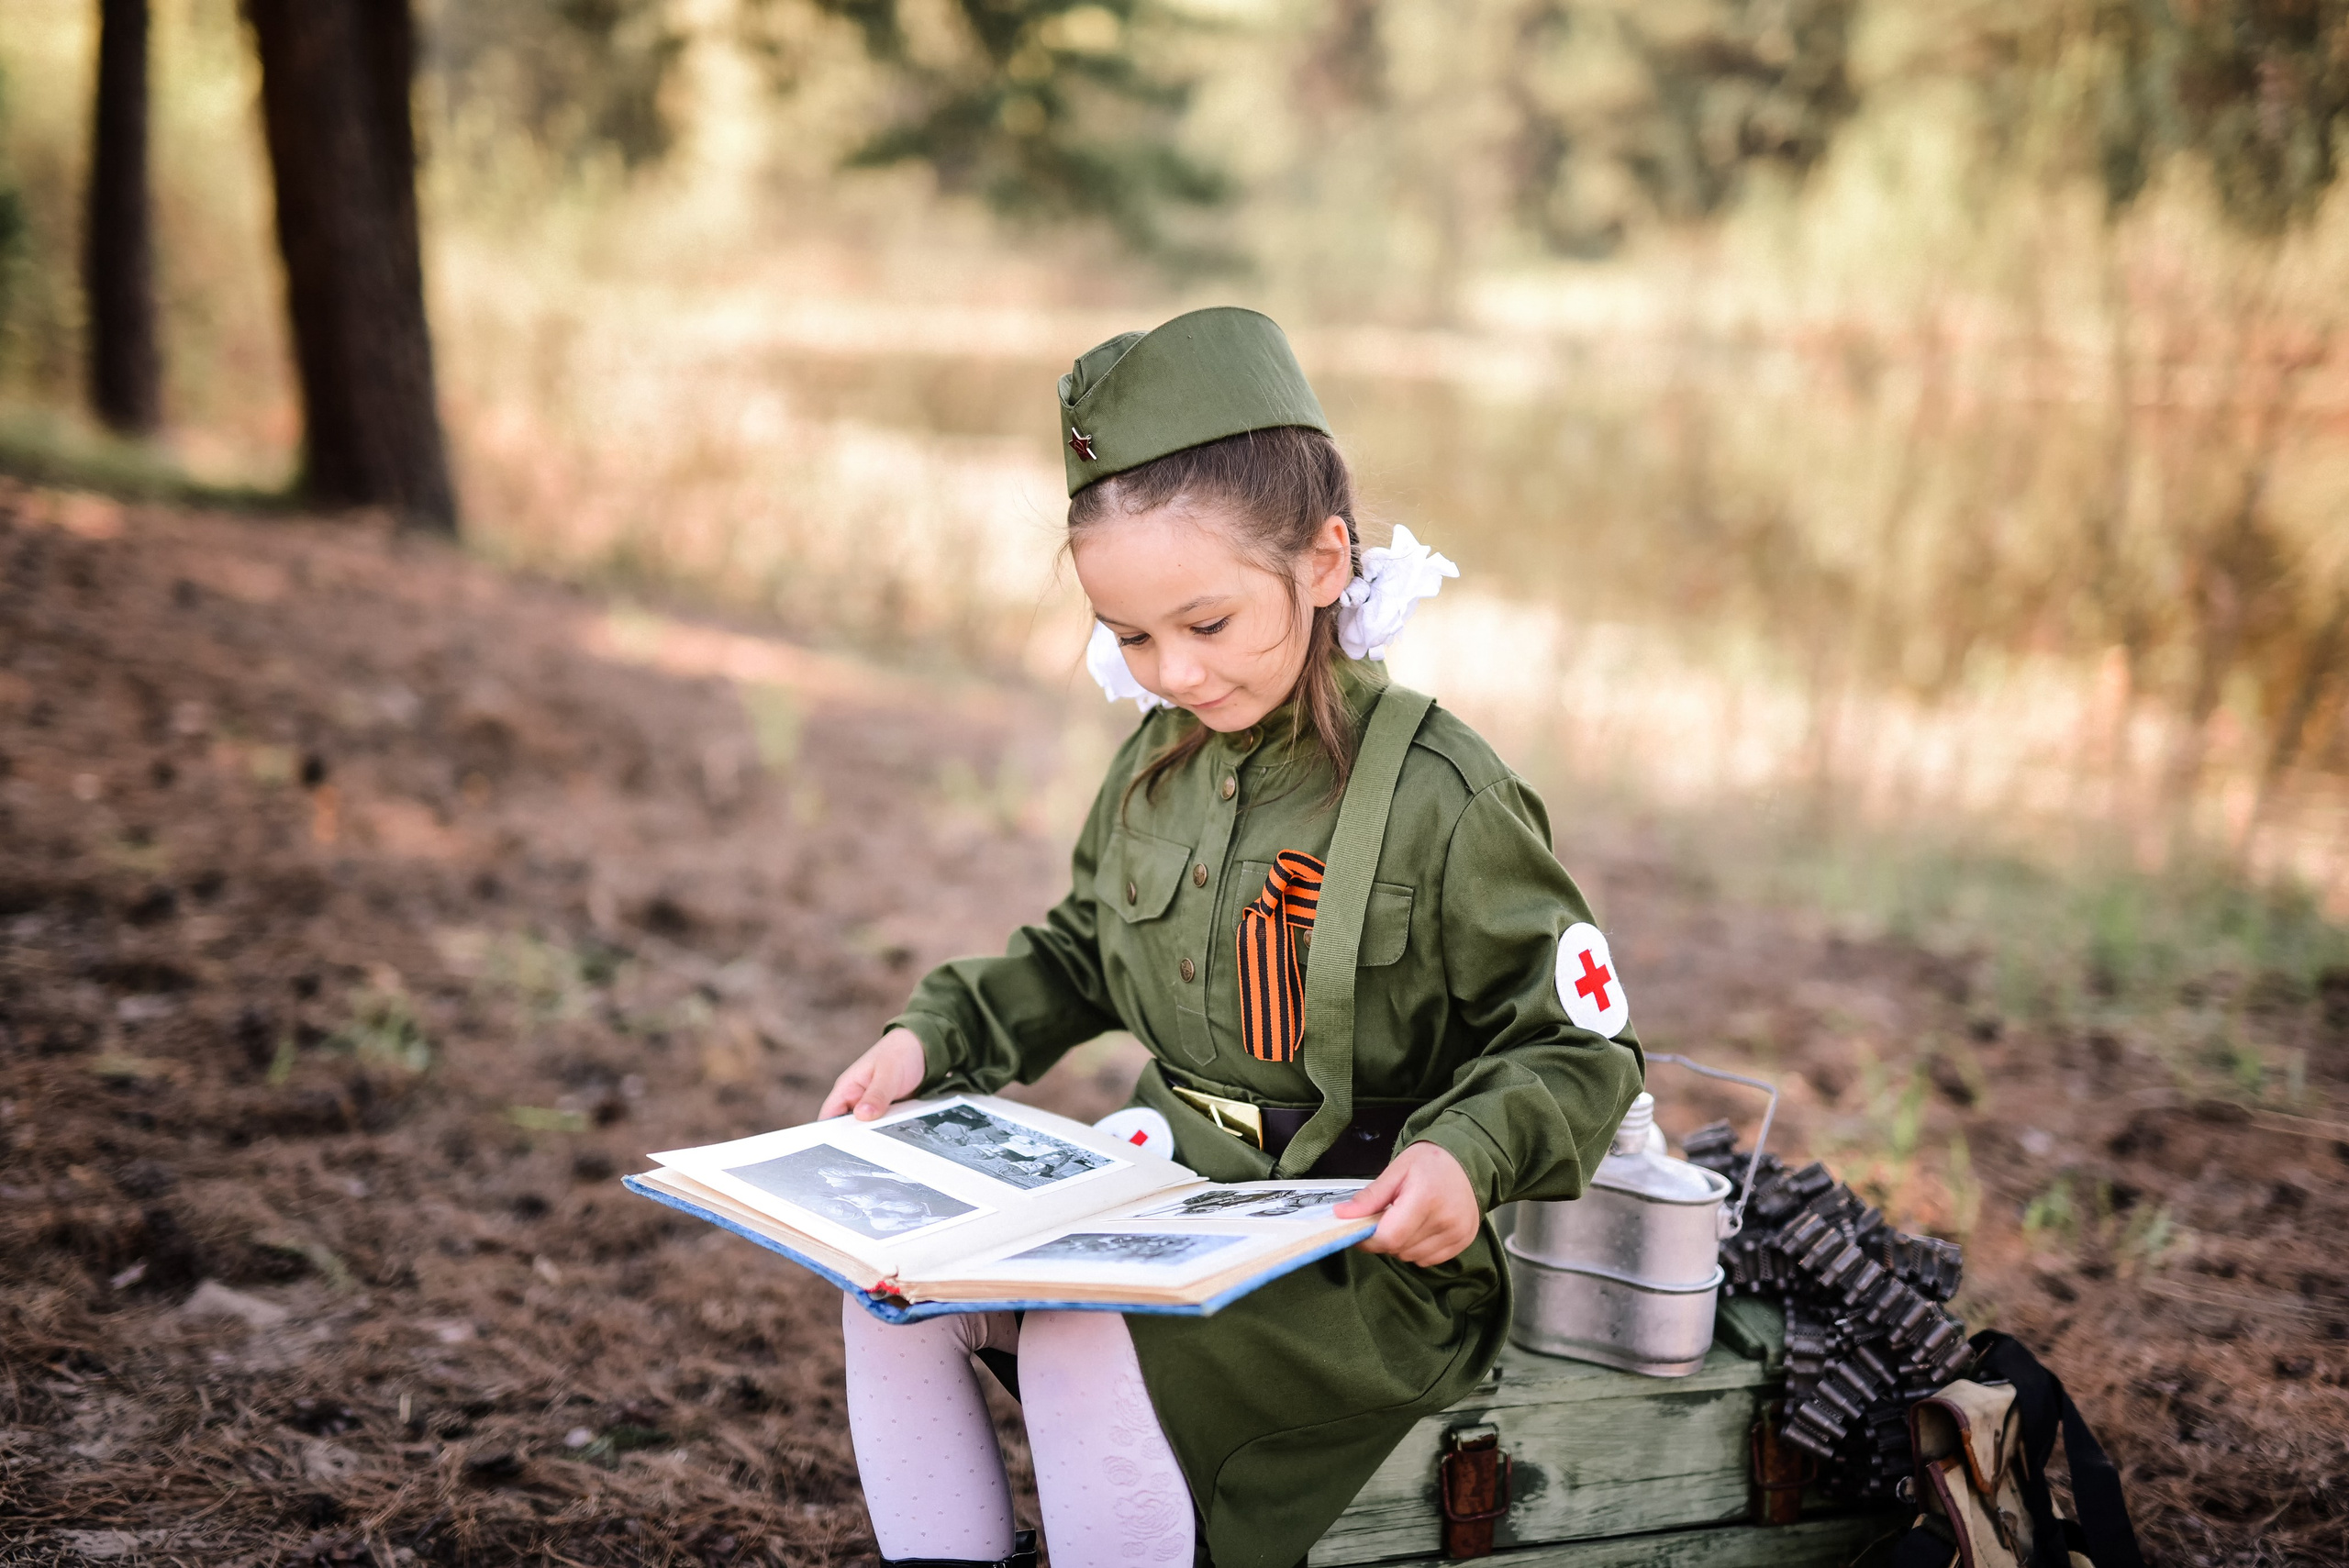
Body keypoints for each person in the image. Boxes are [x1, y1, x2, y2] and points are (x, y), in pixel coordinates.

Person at [818, 307, 1644, 1568]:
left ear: (1322, 562)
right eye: (1132, 635)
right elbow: (1081, 951)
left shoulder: (1442, 796)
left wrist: (1467, 1159)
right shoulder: (1160, 762)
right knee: (889, 1296)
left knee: (1087, 1335)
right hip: (1159, 1199)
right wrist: (930, 1041)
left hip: (1359, 1258)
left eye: (1206, 625)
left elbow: (1582, 1051)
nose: (1174, 675)